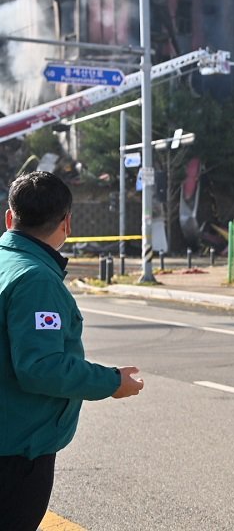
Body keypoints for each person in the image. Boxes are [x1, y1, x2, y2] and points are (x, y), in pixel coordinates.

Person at [0, 171, 144, 531]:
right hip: (16, 452)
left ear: (9, 217)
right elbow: (41, 367)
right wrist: (111, 382)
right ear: (67, 224)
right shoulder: (36, 280)